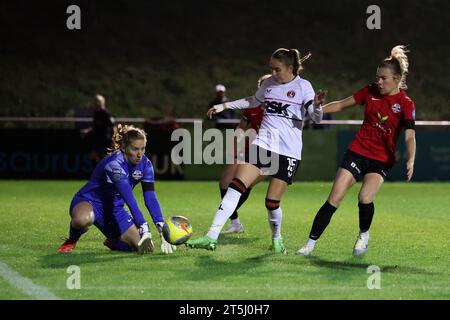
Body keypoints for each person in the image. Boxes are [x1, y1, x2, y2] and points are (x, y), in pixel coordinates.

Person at [186, 48, 325, 253]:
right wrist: (224, 106)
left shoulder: (304, 87)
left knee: (271, 202)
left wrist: (318, 105)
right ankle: (211, 236)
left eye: (277, 69)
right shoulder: (269, 84)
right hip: (263, 144)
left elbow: (316, 117)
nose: (273, 73)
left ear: (290, 67)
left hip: (288, 152)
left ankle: (277, 238)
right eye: (271, 69)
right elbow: (253, 100)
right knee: (235, 186)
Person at [296, 45, 416, 257]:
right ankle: (309, 245)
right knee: (335, 197)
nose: (378, 81)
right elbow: (342, 104)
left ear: (397, 78)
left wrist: (411, 159)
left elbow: (409, 134)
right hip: (357, 151)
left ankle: (364, 233)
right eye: (377, 77)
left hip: (381, 159)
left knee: (364, 198)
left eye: (384, 78)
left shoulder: (405, 103)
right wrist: (315, 111)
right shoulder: (370, 91)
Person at [58, 124, 176, 254]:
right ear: (124, 147)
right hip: (90, 202)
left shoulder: (146, 165)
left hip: (115, 209)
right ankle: (72, 240)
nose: (139, 154)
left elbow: (150, 197)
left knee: (145, 249)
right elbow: (129, 198)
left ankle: (114, 241)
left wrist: (160, 225)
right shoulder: (114, 163)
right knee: (83, 220)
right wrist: (143, 226)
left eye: (143, 149)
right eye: (135, 149)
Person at [220, 74, 271, 234]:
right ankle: (235, 223)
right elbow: (242, 126)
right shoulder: (253, 107)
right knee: (224, 182)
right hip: (248, 150)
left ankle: (222, 216)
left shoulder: (279, 108)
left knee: (245, 185)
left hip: (270, 153)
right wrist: (236, 146)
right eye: (261, 87)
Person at [81, 94, 115, 163]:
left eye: (98, 101)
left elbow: (113, 126)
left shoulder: (106, 114)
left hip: (105, 141)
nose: (96, 103)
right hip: (97, 140)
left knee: (103, 160)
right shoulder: (96, 113)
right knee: (94, 158)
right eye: (95, 101)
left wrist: (114, 141)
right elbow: (95, 126)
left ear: (102, 102)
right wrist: (87, 131)